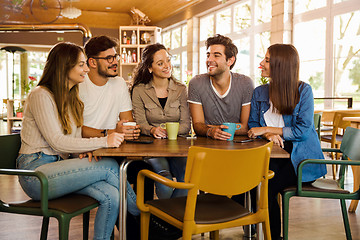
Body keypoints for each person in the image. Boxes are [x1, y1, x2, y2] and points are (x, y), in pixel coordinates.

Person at [16, 42, 125, 240]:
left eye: (85, 64)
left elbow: (72, 139)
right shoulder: (40, 95)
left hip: (59, 169)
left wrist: (79, 152)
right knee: (109, 165)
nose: (86, 69)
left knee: (112, 195)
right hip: (35, 175)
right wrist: (104, 141)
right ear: (65, 66)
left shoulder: (71, 98)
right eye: (81, 64)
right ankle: (143, 213)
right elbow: (58, 142)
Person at [247, 43, 327, 240]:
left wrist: (266, 129)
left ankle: (272, 237)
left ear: (280, 65)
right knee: (252, 180)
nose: (261, 63)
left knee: (267, 186)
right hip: (272, 151)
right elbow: (253, 125)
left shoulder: (304, 91)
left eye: (266, 60)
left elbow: (301, 131)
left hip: (301, 160)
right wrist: (268, 135)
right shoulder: (259, 92)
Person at [131, 43, 191, 199]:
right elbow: (140, 123)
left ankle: (170, 220)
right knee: (164, 182)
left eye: (168, 60)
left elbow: (186, 125)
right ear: (150, 68)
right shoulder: (139, 90)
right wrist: (152, 130)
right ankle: (168, 218)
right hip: (152, 148)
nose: (167, 66)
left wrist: (170, 131)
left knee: (187, 179)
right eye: (160, 63)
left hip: (178, 147)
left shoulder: (180, 89)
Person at [188, 34, 254, 140]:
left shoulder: (245, 83)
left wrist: (216, 130)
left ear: (230, 61)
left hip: (237, 145)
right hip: (207, 144)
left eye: (216, 55)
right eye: (208, 55)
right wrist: (210, 131)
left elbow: (246, 126)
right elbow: (197, 125)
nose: (209, 59)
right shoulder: (196, 83)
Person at [79, 35, 140, 140]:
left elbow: (127, 121)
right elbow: (75, 130)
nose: (115, 62)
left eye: (115, 57)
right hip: (85, 150)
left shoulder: (119, 83)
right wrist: (112, 132)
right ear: (92, 62)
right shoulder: (78, 85)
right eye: (109, 58)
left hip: (112, 147)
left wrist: (129, 131)